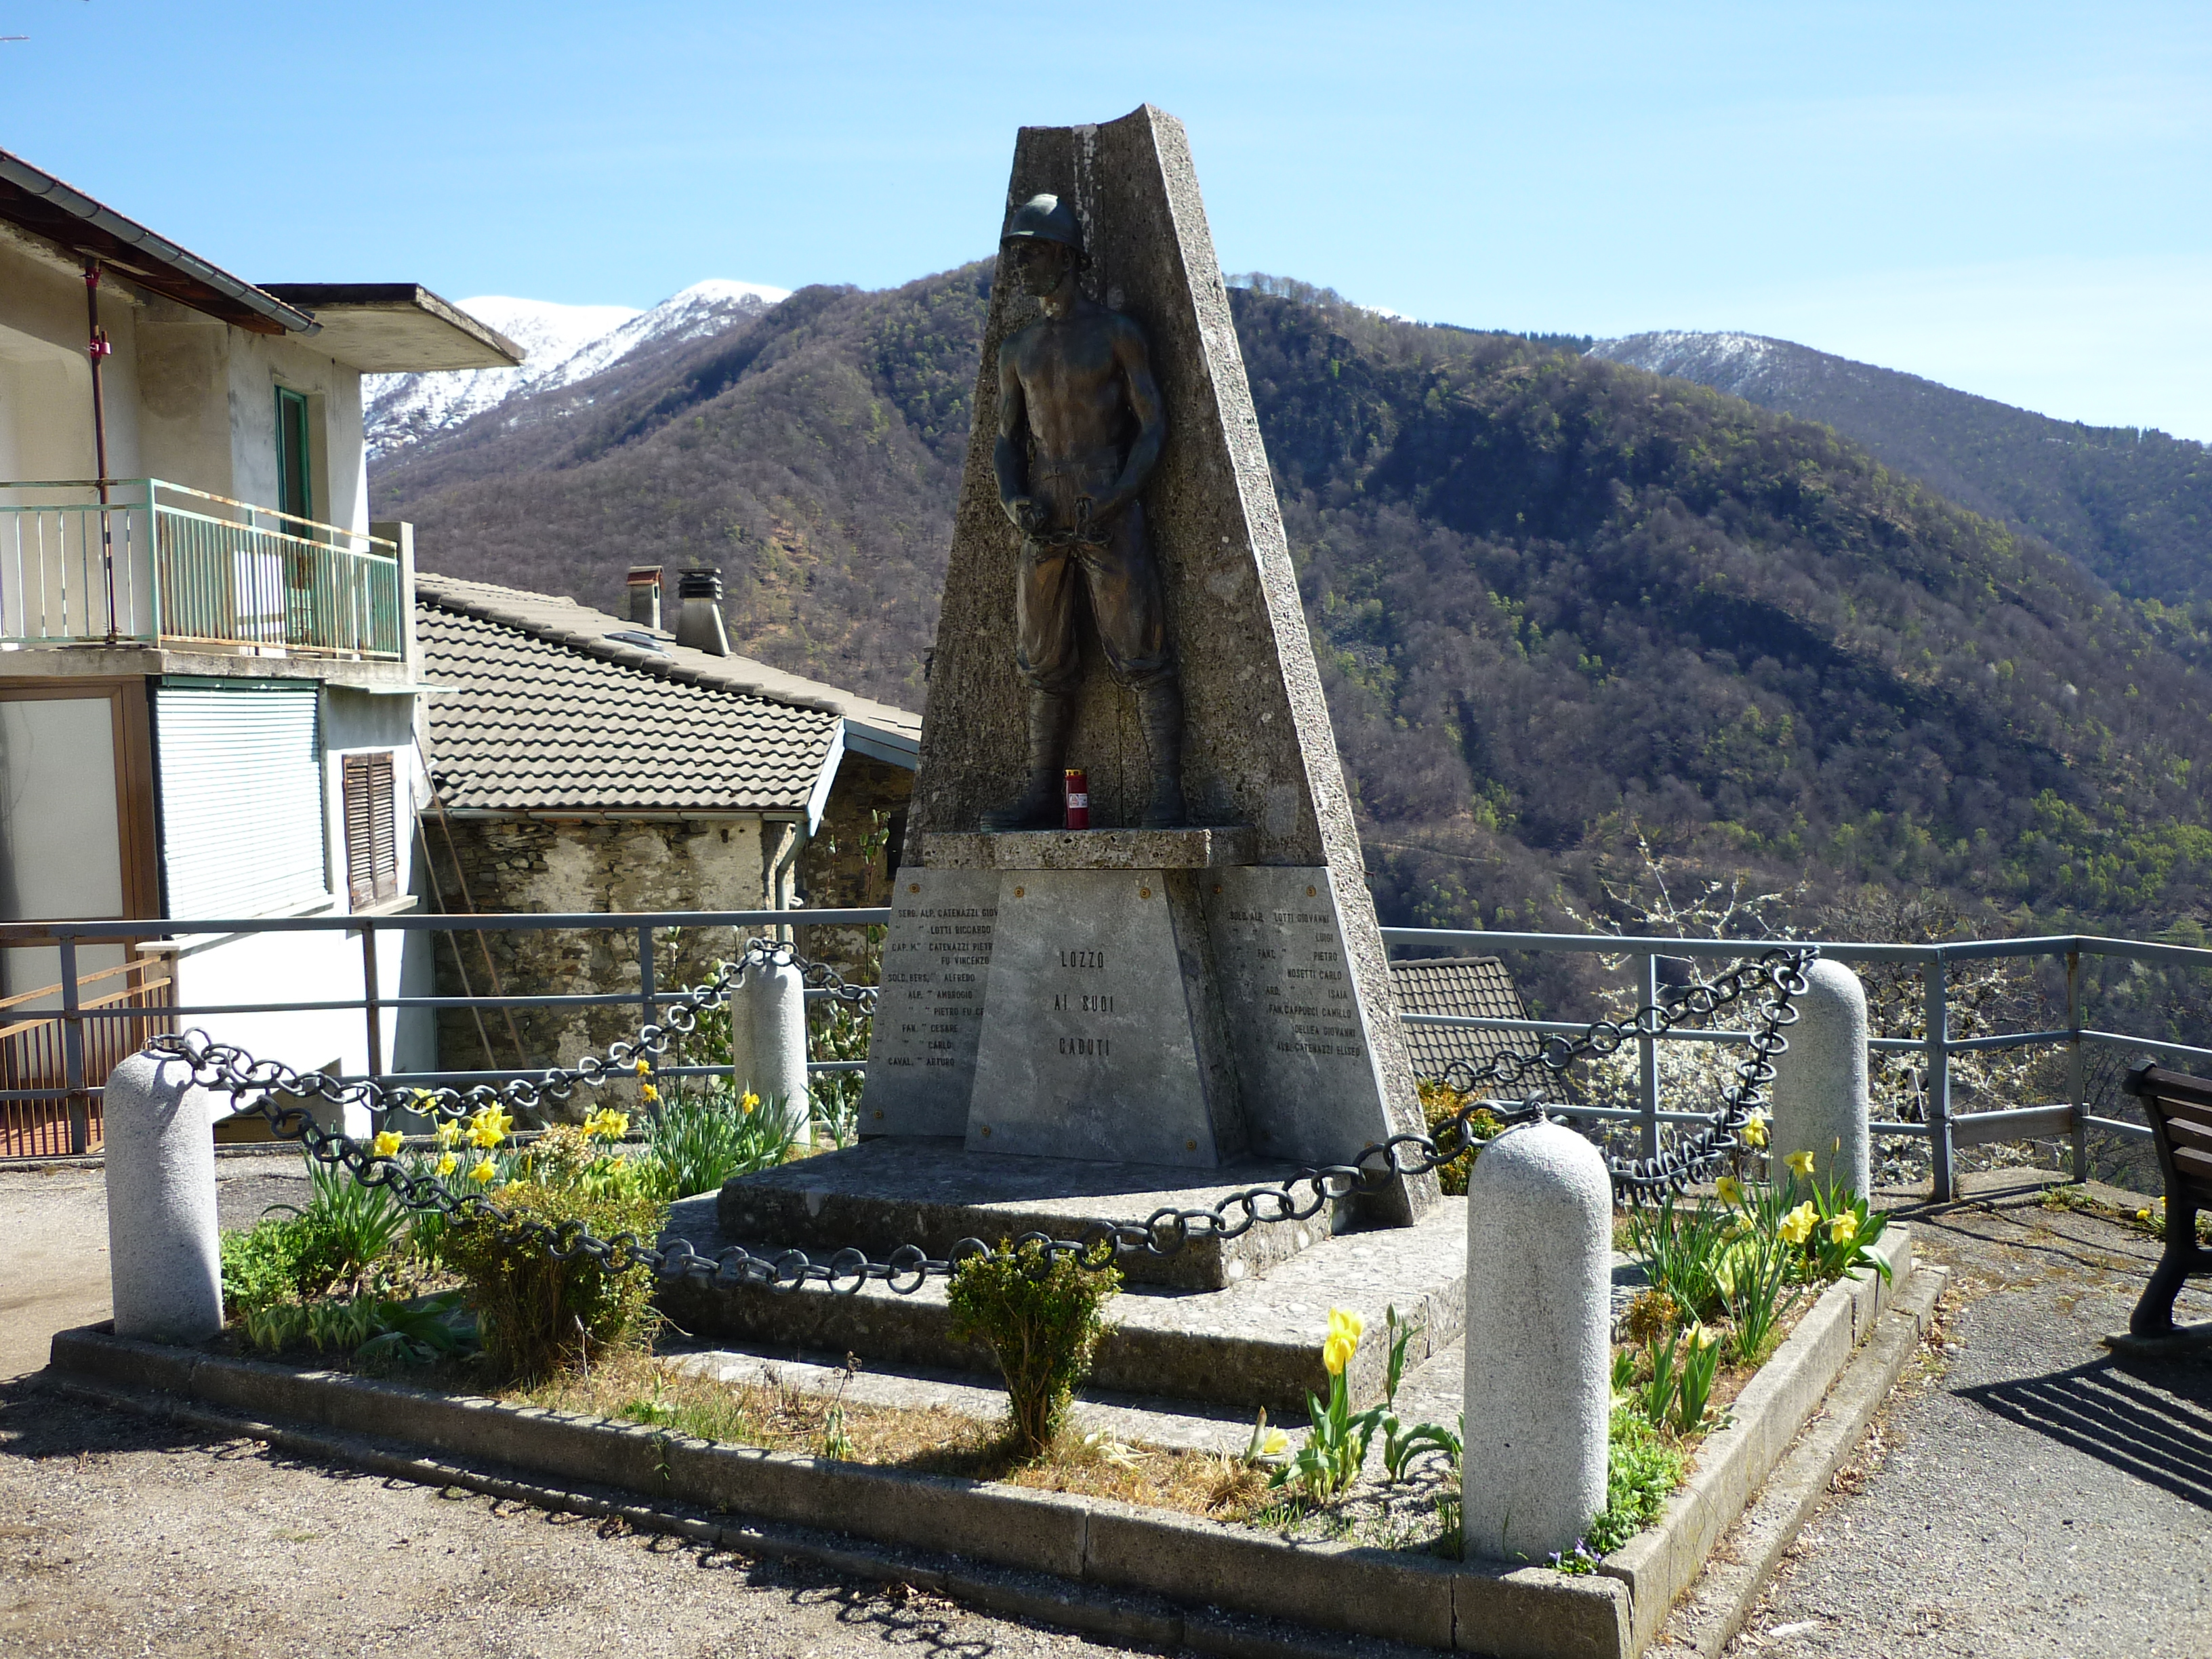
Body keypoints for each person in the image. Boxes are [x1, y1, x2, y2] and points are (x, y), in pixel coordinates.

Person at [981, 193, 1185, 831]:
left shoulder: (1117, 334)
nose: (1020, 267)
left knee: (1139, 650)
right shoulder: (1017, 348)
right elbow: (1004, 441)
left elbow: (1153, 426)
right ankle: (1041, 791)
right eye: (1015, 254)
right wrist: (1016, 502)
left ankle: (1167, 791)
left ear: (1066, 257)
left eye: (1032, 252)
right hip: (1043, 505)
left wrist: (1121, 494)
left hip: (1107, 495)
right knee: (1041, 658)